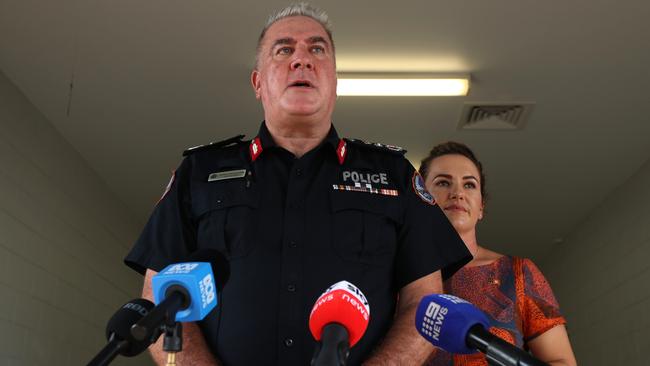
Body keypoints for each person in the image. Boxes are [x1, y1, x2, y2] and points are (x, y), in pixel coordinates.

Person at [124, 4, 471, 365]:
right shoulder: (199, 172)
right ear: (258, 82)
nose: (301, 60)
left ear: (335, 82)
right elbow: (157, 296)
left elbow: (425, 303)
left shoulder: (394, 175)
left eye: (317, 49)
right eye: (284, 49)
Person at [419, 141, 577, 366]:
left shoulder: (517, 272)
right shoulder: (393, 276)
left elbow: (561, 361)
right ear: (421, 198)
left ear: (481, 206)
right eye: (443, 182)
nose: (457, 193)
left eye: (470, 185)